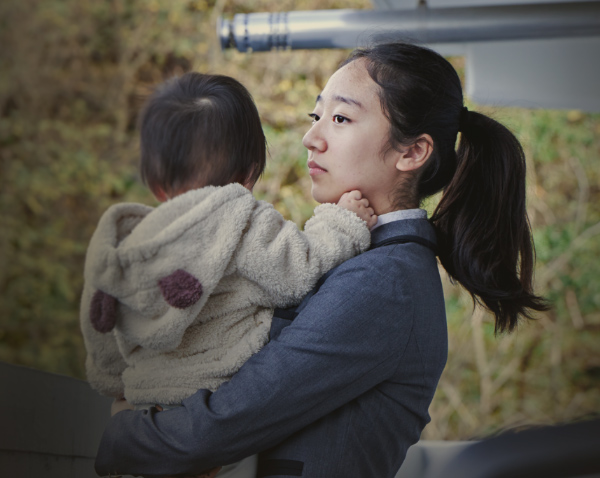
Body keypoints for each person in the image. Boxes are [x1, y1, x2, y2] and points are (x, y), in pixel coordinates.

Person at [94, 42, 548, 478]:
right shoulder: (354, 256)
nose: (311, 138)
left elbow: (225, 421)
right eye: (316, 116)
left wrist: (121, 432)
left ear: (412, 152)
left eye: (340, 117)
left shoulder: (385, 282)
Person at [80, 72, 377, 476]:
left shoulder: (122, 246)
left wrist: (118, 388)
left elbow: (100, 332)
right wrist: (342, 222)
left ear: (154, 182)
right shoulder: (241, 219)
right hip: (211, 406)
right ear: (250, 173)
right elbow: (299, 269)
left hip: (148, 411)